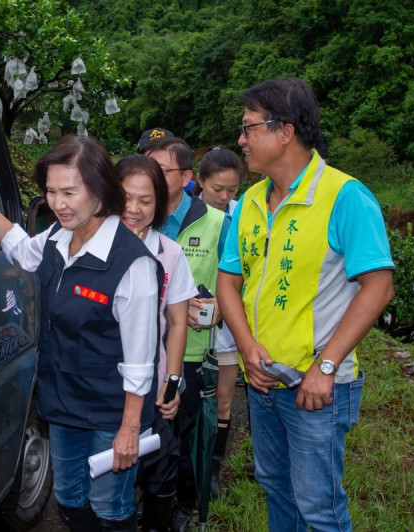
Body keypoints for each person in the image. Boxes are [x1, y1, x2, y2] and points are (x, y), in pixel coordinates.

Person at [216, 77, 394, 531]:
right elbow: (228, 281)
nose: (241, 141)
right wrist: (246, 345)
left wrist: (327, 367)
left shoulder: (344, 196)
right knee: (277, 489)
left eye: (248, 128)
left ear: (285, 131)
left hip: (317, 387)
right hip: (263, 382)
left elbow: (378, 287)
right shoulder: (250, 202)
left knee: (319, 509)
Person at [0, 135, 163, 531]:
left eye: (70, 192)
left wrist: (129, 429)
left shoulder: (133, 264)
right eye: (51, 191)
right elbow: (22, 250)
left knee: (109, 508)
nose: (58, 203)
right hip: (64, 403)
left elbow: (141, 360)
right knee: (70, 499)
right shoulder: (58, 239)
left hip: (112, 412)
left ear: (100, 191)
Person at [139, 134, 228, 530]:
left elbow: (240, 283)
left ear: (186, 176)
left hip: (189, 352)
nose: (149, 175)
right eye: (144, 164)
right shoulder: (133, 218)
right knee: (144, 431)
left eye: (160, 169)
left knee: (178, 432)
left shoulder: (218, 223)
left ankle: (182, 503)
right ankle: (153, 499)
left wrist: (219, 310)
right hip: (139, 351)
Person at [115, 154, 198, 532]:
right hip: (104, 384)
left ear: (159, 203)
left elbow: (178, 320)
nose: (133, 209)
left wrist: (174, 379)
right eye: (125, 197)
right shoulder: (93, 244)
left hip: (153, 383)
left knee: (161, 467)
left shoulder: (170, 252)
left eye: (145, 201)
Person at [191, 146, 243, 497]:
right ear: (199, 182)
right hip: (187, 324)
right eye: (217, 190)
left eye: (232, 191)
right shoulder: (183, 215)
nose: (225, 198)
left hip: (225, 328)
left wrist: (227, 305)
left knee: (222, 400)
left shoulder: (243, 217)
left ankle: (211, 470)